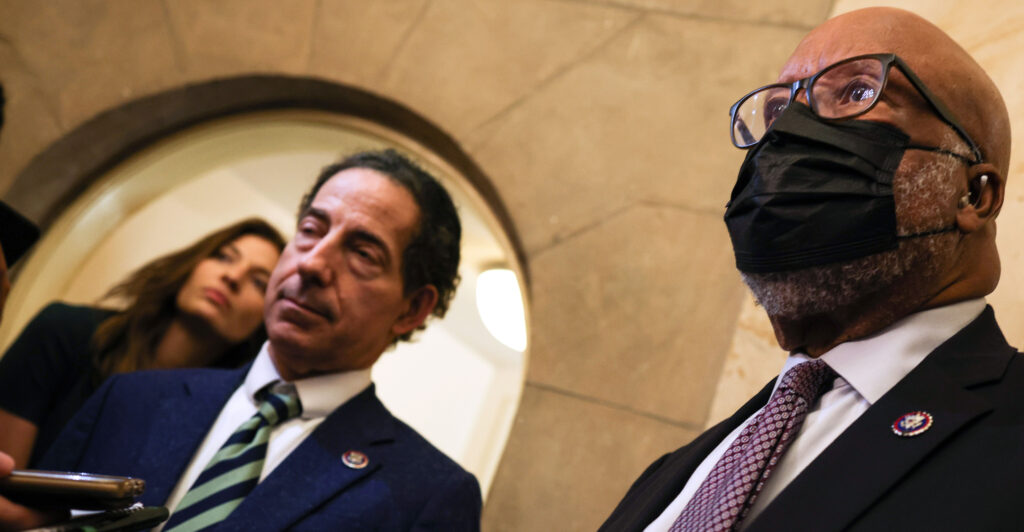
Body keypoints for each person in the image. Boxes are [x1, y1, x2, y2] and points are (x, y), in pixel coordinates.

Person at [601, 7, 1023, 532]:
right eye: (778, 110)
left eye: (857, 93)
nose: (788, 136)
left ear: (975, 195)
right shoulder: (675, 471)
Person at [37, 149, 481, 530]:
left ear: (412, 308)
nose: (313, 264)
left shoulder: (426, 493)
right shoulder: (130, 400)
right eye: (311, 229)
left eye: (362, 253)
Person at [0, 218, 285, 468]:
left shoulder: (228, 415)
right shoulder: (63, 331)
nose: (232, 277)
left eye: (259, 282)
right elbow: (6, 485)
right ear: (193, 264)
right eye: (224, 257)